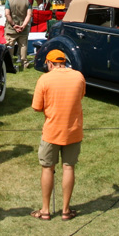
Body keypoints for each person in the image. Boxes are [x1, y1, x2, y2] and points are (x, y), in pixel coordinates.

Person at [31, 50, 86, 222]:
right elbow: (81, 96)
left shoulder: (44, 79)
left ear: (50, 63)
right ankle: (65, 210)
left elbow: (37, 107)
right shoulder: (78, 77)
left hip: (51, 132)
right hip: (73, 131)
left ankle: (45, 210)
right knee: (69, 167)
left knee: (47, 168)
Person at [5, 0, 32, 68]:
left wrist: (13, 25)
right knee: (23, 45)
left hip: (11, 28)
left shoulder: (9, 0)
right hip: (23, 28)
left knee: (10, 45)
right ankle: (24, 63)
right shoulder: (27, 1)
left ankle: (9, 63)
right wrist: (23, 26)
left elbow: (7, 14)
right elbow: (29, 15)